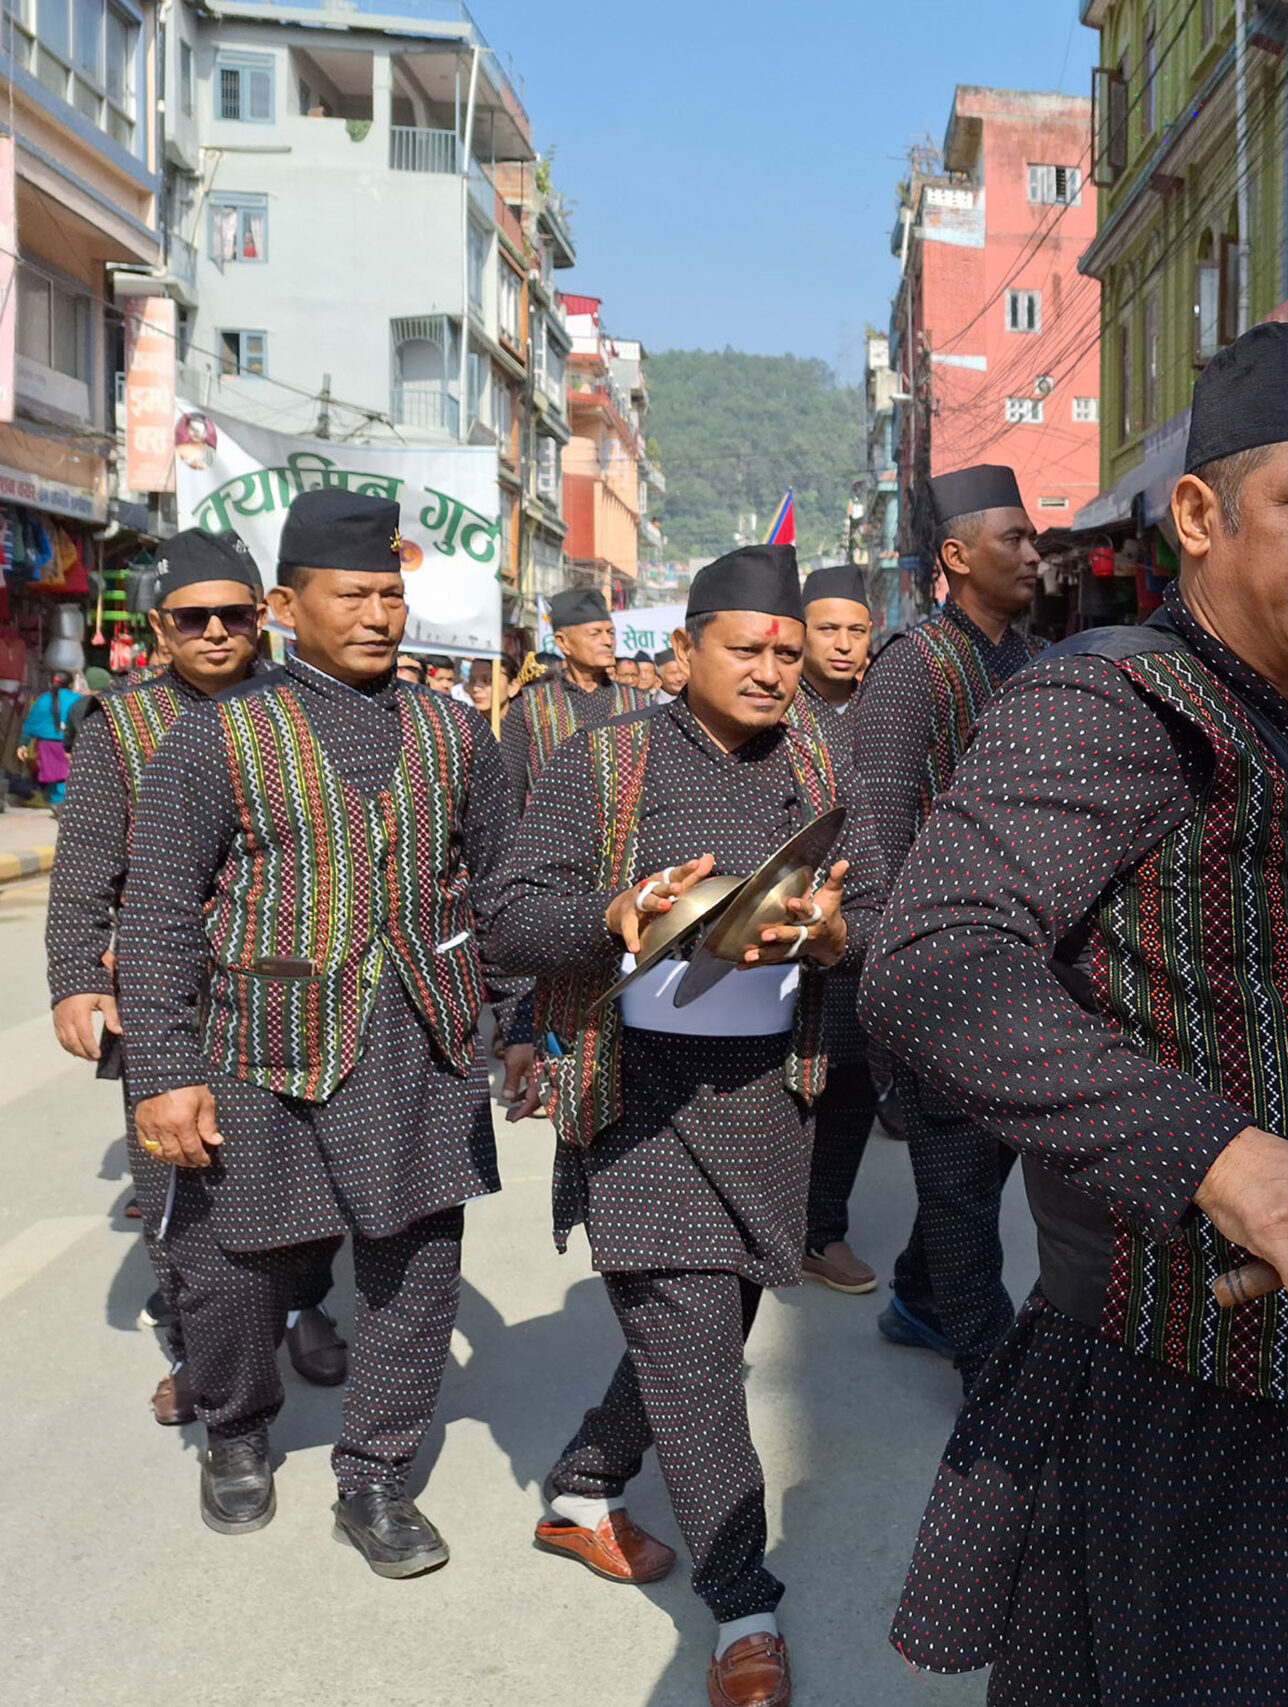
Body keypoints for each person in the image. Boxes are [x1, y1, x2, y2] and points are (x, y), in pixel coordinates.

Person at [866, 318, 1288, 1705]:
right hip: (1175, 1359)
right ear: (1198, 513)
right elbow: (933, 959)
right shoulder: (1107, 702)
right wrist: (1229, 1160)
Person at [487, 544, 881, 1707]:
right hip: (637, 1106)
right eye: (746, 649)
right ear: (685, 652)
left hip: (771, 1096)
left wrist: (832, 938)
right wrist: (614, 915)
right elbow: (508, 916)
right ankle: (742, 1610)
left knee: (705, 1331)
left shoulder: (820, 757)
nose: (771, 670)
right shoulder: (601, 767)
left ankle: (579, 1493)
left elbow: (882, 894)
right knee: (701, 1367)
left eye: (786, 652)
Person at [117, 489, 515, 1573]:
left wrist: (522, 1026)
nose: (380, 614)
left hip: (423, 1046)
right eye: (354, 596)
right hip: (265, 1048)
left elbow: (509, 884)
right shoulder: (216, 737)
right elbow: (155, 911)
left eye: (392, 593)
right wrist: (162, 1069)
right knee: (234, 1271)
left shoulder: (452, 727)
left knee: (416, 1269)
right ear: (289, 605)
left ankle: (375, 1476)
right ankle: (235, 1428)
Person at [45, 530, 346, 1426]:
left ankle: (298, 1304)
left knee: (313, 1175)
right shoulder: (125, 724)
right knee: (179, 1184)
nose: (215, 632)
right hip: (166, 991)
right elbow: (86, 864)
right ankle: (204, 1346)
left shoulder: (311, 711)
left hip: (296, 991)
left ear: (265, 618)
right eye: (192, 617)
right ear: (160, 627)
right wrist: (72, 972)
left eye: (234, 614)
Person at [852, 461, 1037, 1387]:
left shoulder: (1033, 662)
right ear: (958, 557)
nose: (1035, 554)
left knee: (987, 1161)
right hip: (939, 967)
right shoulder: (910, 669)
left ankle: (921, 1296)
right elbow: (875, 827)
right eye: (1016, 538)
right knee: (962, 1175)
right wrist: (895, 988)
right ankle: (985, 1359)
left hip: (1024, 961)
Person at [790, 565, 882, 1297]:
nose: (845, 644)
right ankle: (775, 1223)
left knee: (852, 1084)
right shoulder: (778, 707)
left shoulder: (887, 707)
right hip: (789, 926)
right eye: (830, 628)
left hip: (869, 923)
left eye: (857, 630)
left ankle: (822, 1229)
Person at [503, 590, 650, 803]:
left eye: (610, 632)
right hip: (552, 832)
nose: (607, 641)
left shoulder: (640, 704)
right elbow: (510, 793)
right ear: (563, 642)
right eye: (595, 633)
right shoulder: (529, 706)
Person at [21, 668, 85, 805]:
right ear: (71, 685)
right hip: (70, 747)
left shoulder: (43, 699)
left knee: (54, 779)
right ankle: (65, 805)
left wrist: (23, 744)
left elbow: (31, 723)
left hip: (46, 746)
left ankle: (56, 803)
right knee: (68, 778)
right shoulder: (77, 699)